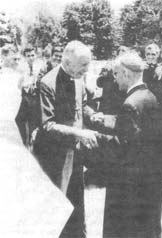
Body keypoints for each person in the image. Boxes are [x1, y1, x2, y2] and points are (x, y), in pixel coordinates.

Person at [0, 45, 73, 238]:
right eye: (14, 59)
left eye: (18, 59)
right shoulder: (18, 78)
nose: (18, 62)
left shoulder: (22, 79)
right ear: (3, 58)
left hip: (11, 130)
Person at [34, 40, 101, 238]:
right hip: (54, 157)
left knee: (77, 204)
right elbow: (48, 125)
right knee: (56, 207)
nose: (87, 70)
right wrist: (79, 133)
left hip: (76, 154)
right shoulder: (47, 83)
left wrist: (92, 115)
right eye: (83, 65)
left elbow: (84, 104)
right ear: (68, 62)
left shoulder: (78, 77)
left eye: (88, 64)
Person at [102, 53, 162, 238]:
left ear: (127, 74)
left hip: (130, 187)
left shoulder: (130, 103)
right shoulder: (149, 96)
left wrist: (95, 138)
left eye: (116, 74)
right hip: (150, 181)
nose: (115, 79)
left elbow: (124, 148)